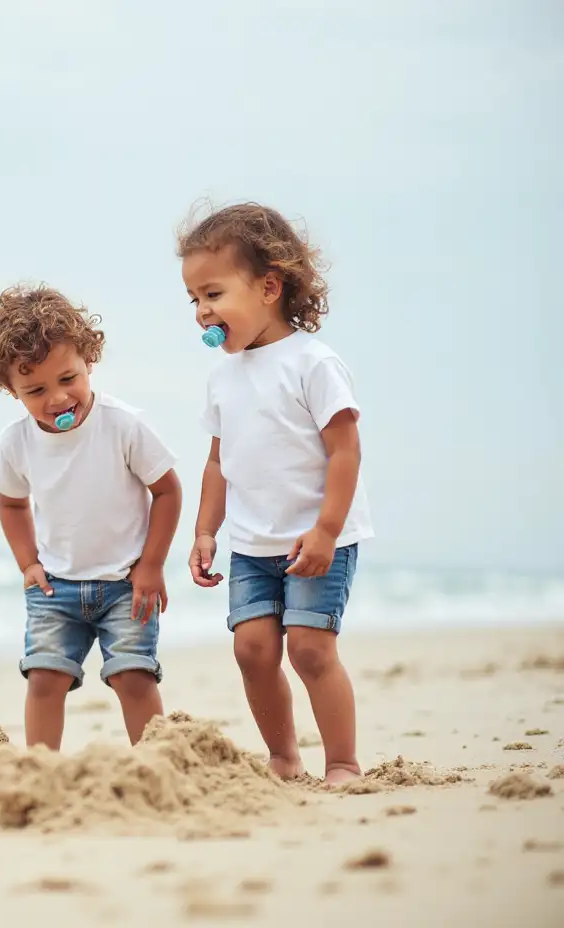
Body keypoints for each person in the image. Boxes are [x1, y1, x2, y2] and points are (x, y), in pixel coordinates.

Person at [181, 202, 374, 785]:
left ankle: (341, 760)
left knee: (311, 651)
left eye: (212, 294)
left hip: (318, 537)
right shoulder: (222, 377)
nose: (201, 312)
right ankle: (284, 757)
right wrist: (205, 531)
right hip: (251, 543)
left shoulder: (313, 363)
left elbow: (345, 451)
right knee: (253, 651)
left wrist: (326, 530)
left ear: (269, 286)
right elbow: (218, 463)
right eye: (193, 299)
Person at [0, 283, 182, 750]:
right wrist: (28, 562)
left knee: (134, 677)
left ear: (89, 359)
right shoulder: (17, 441)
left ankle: (156, 763)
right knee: (44, 679)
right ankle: (40, 769)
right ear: (12, 390)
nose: (57, 398)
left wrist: (151, 565)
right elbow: (11, 502)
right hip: (55, 588)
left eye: (68, 379)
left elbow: (167, 490)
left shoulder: (123, 424)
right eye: (35, 390)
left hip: (127, 585)